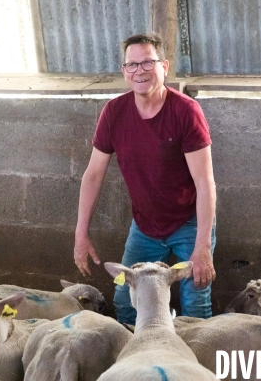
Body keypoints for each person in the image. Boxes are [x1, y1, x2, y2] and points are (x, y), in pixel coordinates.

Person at [73, 32, 217, 324]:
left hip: (188, 221)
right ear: (124, 71)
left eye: (148, 63)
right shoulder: (114, 112)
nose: (140, 71)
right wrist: (80, 233)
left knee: (196, 300)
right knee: (125, 300)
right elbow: (93, 175)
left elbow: (205, 183)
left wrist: (202, 245)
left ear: (164, 66)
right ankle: (135, 362)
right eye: (132, 65)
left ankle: (194, 366)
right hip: (145, 226)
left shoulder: (186, 112)